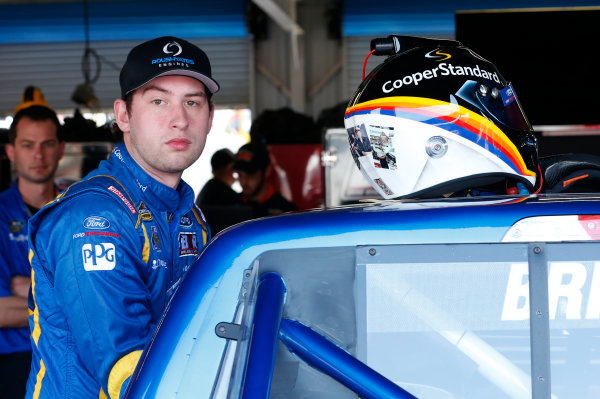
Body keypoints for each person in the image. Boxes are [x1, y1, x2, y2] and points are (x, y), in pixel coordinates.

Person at [25, 36, 219, 399]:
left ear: (209, 119)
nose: (179, 120)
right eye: (159, 101)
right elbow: (129, 373)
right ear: (124, 116)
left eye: (192, 102)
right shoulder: (92, 219)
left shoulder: (189, 214)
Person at [0, 87, 64, 399]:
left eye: (47, 144)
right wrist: (71, 298)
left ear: (61, 148)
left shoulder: (79, 211)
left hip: (72, 360)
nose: (38, 155)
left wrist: (21, 288)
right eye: (27, 145)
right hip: (13, 361)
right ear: (11, 151)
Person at [233, 141, 297, 218]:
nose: (243, 182)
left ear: (267, 171)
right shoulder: (229, 206)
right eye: (239, 175)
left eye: (250, 175)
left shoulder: (286, 211)